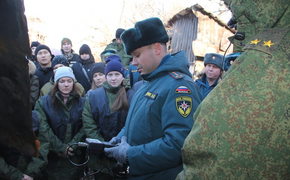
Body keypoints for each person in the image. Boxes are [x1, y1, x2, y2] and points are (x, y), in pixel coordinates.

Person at [176, 0, 290, 179]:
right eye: (208, 66)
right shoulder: (197, 85)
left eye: (215, 66)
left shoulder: (268, 58)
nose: (210, 70)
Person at [104, 17, 203, 180]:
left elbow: (178, 146)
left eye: (137, 55)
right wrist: (120, 138)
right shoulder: (150, 81)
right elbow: (142, 124)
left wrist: (130, 154)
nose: (133, 63)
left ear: (157, 48)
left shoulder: (179, 87)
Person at [34, 66, 86, 180]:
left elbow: (86, 127)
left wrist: (73, 145)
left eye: (69, 81)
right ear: (56, 83)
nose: (66, 85)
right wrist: (60, 148)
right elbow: (44, 128)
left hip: (75, 158)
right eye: (62, 81)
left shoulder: (83, 102)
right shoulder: (43, 103)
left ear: (73, 82)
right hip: (52, 159)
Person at [82, 57, 128, 179]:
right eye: (110, 74)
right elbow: (88, 121)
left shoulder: (130, 95)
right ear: (106, 76)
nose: (113, 78)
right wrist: (101, 144)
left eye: (117, 74)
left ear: (123, 76)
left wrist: (120, 144)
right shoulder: (94, 96)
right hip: (99, 156)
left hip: (123, 152)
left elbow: (132, 123)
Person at [0, 111, 47, 180]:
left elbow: (44, 145)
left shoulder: (36, 117)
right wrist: (17, 176)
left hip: (35, 175)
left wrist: (31, 172)